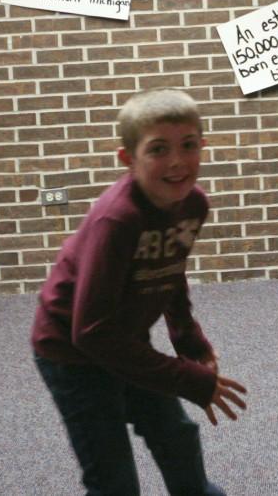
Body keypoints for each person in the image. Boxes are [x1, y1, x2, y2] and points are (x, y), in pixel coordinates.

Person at [31, 88, 247, 495]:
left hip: (124, 340)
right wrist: (187, 378)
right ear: (128, 159)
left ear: (203, 144)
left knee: (176, 437)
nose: (178, 162)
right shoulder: (117, 220)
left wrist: (187, 338)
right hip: (71, 353)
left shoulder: (193, 204)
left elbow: (169, 268)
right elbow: (90, 332)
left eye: (188, 145)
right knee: (113, 478)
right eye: (158, 150)